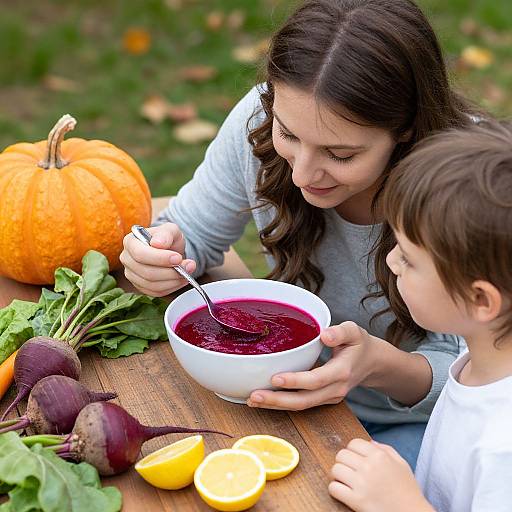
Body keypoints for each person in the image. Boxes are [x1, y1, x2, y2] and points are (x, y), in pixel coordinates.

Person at [120, 0, 477, 468]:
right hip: (288, 398)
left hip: (422, 428)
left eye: (341, 155)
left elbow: (481, 387)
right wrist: (163, 252)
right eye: (287, 135)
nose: (304, 174)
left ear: (406, 130)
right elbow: (190, 231)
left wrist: (380, 366)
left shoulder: (468, 184)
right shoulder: (264, 117)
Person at [329, 121, 512, 512]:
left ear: (481, 300)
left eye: (409, 259)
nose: (391, 260)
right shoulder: (481, 356)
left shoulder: (504, 447)